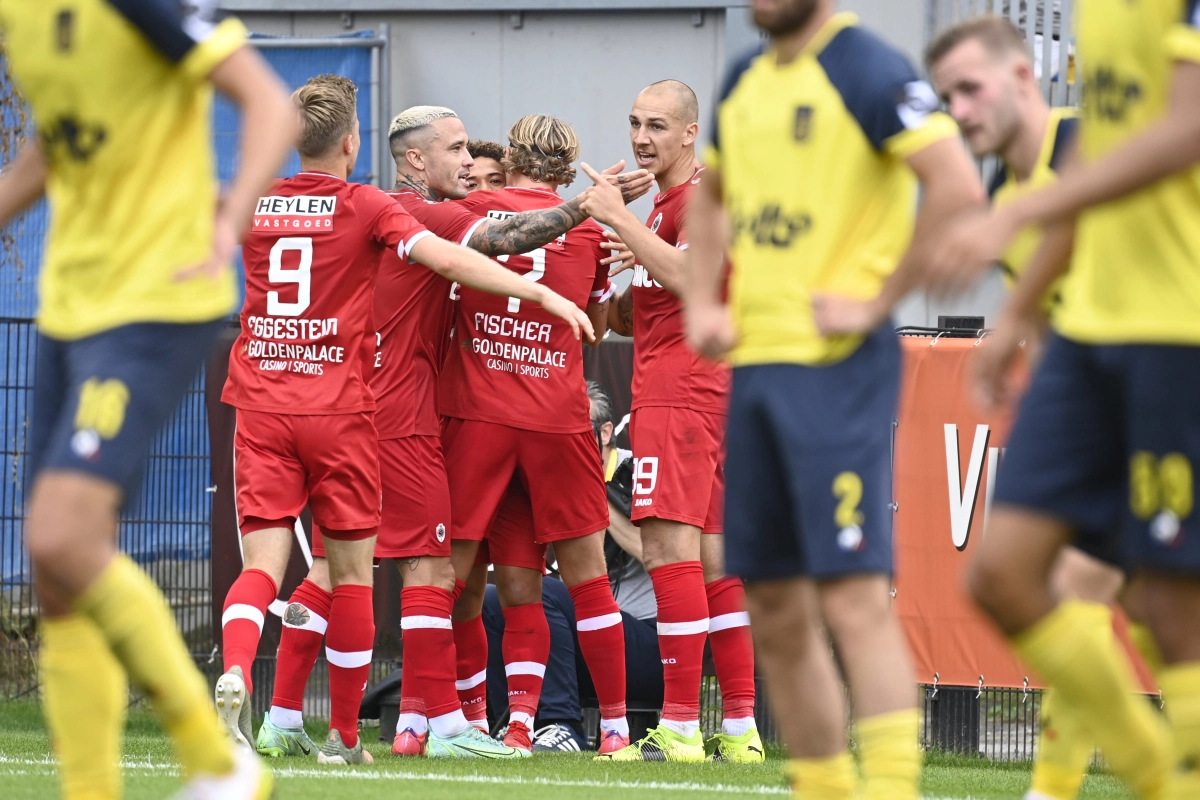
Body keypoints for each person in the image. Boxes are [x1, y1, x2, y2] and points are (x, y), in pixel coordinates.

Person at [218, 76, 592, 765]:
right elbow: (503, 237)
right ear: (406, 158)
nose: (469, 165)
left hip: (286, 402)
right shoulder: (417, 213)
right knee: (428, 570)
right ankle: (440, 723)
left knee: (325, 573)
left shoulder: (294, 202)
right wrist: (584, 216)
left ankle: (278, 713)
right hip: (384, 417)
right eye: (454, 149)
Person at [684, 0, 984, 795]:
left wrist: (879, 300)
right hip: (756, 368)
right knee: (774, 604)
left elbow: (956, 186)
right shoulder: (745, 75)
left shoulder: (866, 67)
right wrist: (702, 304)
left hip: (837, 367)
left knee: (852, 597)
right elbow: (710, 195)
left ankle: (890, 788)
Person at [0, 1, 296, 796]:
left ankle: (215, 754)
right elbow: (54, 147)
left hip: (158, 298)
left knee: (60, 536)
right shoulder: (20, 15)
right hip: (71, 308)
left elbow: (269, 101)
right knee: (58, 577)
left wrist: (232, 216)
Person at [918, 1, 1200, 796]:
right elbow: (1080, 217)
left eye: (970, 90)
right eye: (950, 99)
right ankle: (1151, 779)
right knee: (1006, 575)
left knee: (1162, 610)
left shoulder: (1054, 159)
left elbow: (1184, 128)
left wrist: (1025, 213)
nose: (961, 113)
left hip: (1176, 332)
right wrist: (1017, 317)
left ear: (1020, 76)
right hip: (1087, 350)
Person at [579, 79, 761, 763]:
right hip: (704, 396)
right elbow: (632, 314)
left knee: (666, 554)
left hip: (681, 397)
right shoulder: (662, 210)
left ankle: (681, 725)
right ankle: (740, 730)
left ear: (691, 133)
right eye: (633, 123)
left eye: (657, 125)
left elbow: (695, 279)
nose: (639, 138)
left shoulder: (707, 198)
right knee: (716, 562)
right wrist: (604, 258)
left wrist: (616, 220)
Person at [438, 114, 632, 756]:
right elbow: (597, 328)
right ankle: (614, 730)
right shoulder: (593, 233)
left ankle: (444, 720)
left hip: (479, 414)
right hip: (558, 417)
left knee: (452, 577)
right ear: (569, 164)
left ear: (513, 155)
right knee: (585, 578)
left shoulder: (478, 212)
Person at [480, 382, 664, 753]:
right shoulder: (555, 481)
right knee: (494, 601)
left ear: (605, 432)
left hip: (650, 647)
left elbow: (655, 553)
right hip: (586, 646)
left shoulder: (634, 469)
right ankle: (514, 725)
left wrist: (594, 495)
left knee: (547, 595)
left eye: (576, 430)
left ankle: (561, 724)